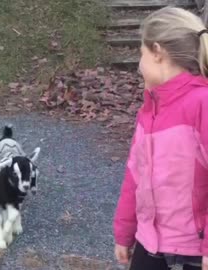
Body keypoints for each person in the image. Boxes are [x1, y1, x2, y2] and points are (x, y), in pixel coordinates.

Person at [113, 6, 208, 270]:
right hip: (148, 244)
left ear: (157, 52)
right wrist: (125, 232)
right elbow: (135, 176)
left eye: (141, 54)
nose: (138, 65)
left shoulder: (202, 103)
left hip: (193, 252)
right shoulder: (150, 109)